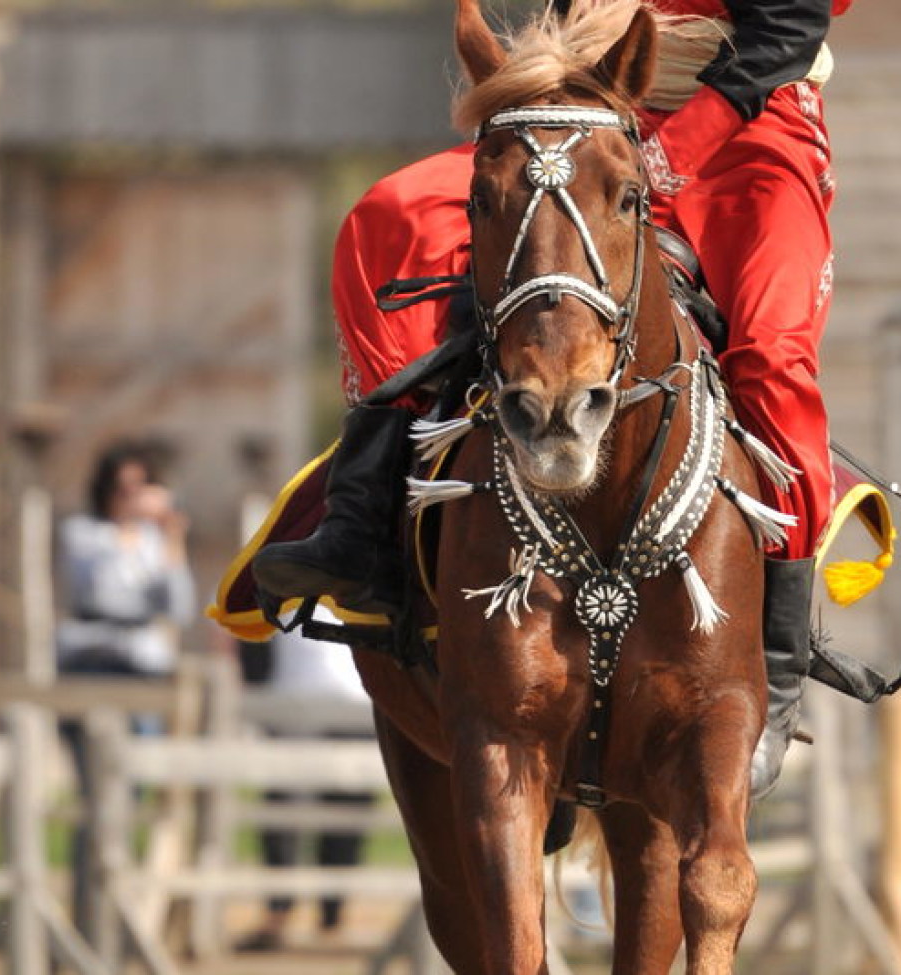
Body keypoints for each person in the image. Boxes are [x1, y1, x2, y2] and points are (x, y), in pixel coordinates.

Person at [254, 0, 854, 796]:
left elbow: (787, 32)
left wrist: (668, 150)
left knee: (771, 353)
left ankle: (775, 668)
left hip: (748, 128)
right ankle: (364, 510)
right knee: (390, 215)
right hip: (589, 116)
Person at [57, 441, 195, 935]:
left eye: (140, 487)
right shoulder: (82, 533)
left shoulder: (158, 542)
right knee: (93, 795)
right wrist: (135, 538)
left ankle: (119, 912)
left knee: (132, 792)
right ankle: (85, 913)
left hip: (141, 674)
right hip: (90, 667)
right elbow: (97, 589)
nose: (132, 497)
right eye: (123, 489)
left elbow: (177, 606)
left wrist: (171, 539)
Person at [236, 614, 375, 951]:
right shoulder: (279, 569)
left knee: (346, 818)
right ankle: (279, 911)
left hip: (353, 704)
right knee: (282, 815)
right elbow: (248, 634)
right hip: (290, 702)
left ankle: (332, 916)